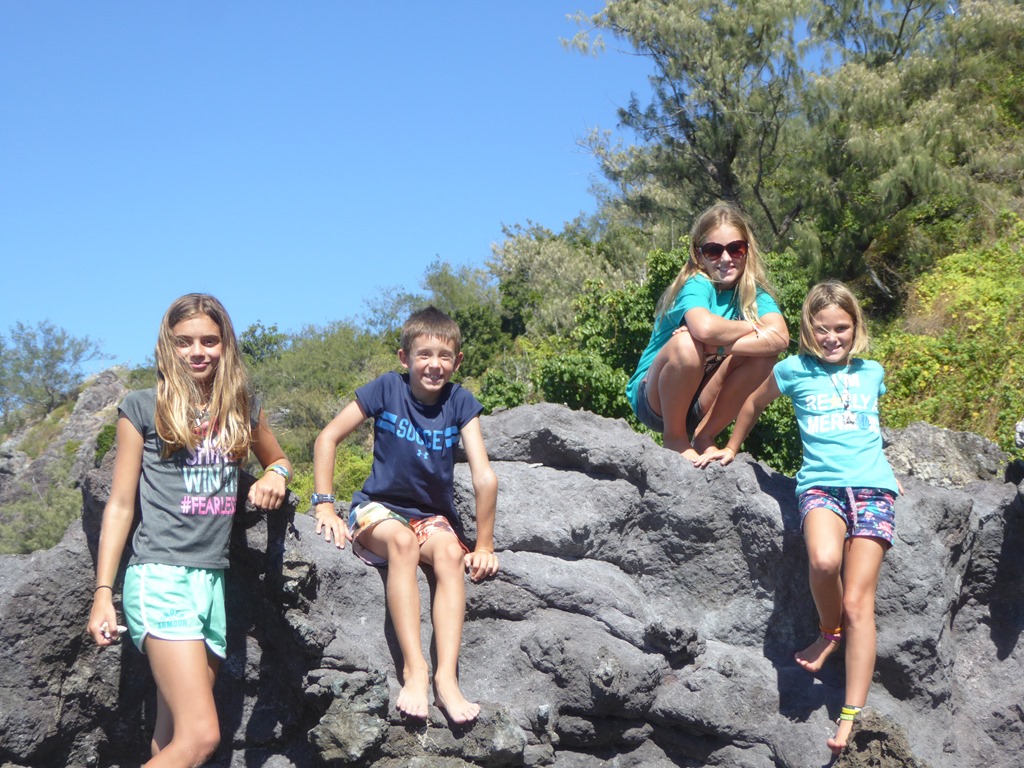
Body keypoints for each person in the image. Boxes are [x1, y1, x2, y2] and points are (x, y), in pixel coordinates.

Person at [87, 293, 292, 767]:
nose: (197, 352)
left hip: (211, 583)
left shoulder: (242, 407)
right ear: (167, 345)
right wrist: (102, 593)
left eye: (209, 341)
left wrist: (275, 475)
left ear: (226, 345)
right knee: (201, 737)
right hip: (160, 579)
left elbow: (278, 458)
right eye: (184, 342)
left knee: (173, 736)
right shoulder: (143, 407)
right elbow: (120, 505)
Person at [696, 280, 900, 755]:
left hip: (874, 490)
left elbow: (868, 426)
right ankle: (830, 633)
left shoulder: (872, 372)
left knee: (859, 604)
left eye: (841, 328)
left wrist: (888, 471)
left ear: (856, 327)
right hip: (821, 488)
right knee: (824, 562)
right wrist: (731, 447)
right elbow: (752, 403)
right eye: (822, 329)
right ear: (809, 329)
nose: (832, 338)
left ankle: (850, 716)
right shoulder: (792, 370)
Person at [312, 306, 499, 725]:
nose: (434, 364)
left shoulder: (460, 401)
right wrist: (324, 503)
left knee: (450, 553)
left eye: (445, 356)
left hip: (429, 515)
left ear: (457, 361)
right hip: (378, 509)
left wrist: (484, 545)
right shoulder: (386, 389)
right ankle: (415, 671)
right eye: (424, 354)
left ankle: (447, 680)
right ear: (405, 358)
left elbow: (485, 477)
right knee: (402, 543)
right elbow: (328, 437)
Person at [625, 202, 790, 461]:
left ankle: (704, 435)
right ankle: (675, 439)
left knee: (764, 356)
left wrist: (721, 347)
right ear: (699, 255)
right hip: (654, 400)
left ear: (747, 251)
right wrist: (752, 327)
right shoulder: (697, 284)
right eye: (714, 250)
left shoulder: (753, 294)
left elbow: (780, 338)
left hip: (699, 400)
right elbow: (704, 328)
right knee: (687, 343)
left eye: (736, 248)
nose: (726, 258)